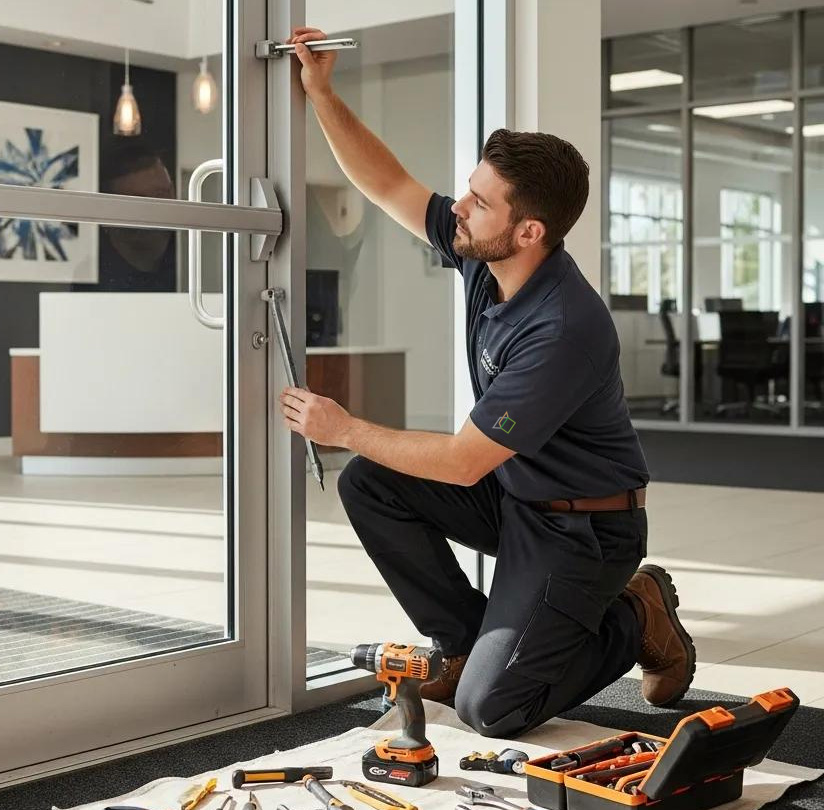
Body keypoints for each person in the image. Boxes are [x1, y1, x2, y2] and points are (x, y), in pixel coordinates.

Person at [276, 28, 696, 738]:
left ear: (529, 230)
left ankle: (637, 612)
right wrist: (322, 92)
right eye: (468, 192)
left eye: (478, 200)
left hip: (583, 528)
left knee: (489, 711)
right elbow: (386, 185)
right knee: (371, 483)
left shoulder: (562, 327)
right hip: (517, 496)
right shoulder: (487, 254)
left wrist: (343, 429)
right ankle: (470, 646)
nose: (459, 208)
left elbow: (464, 460)